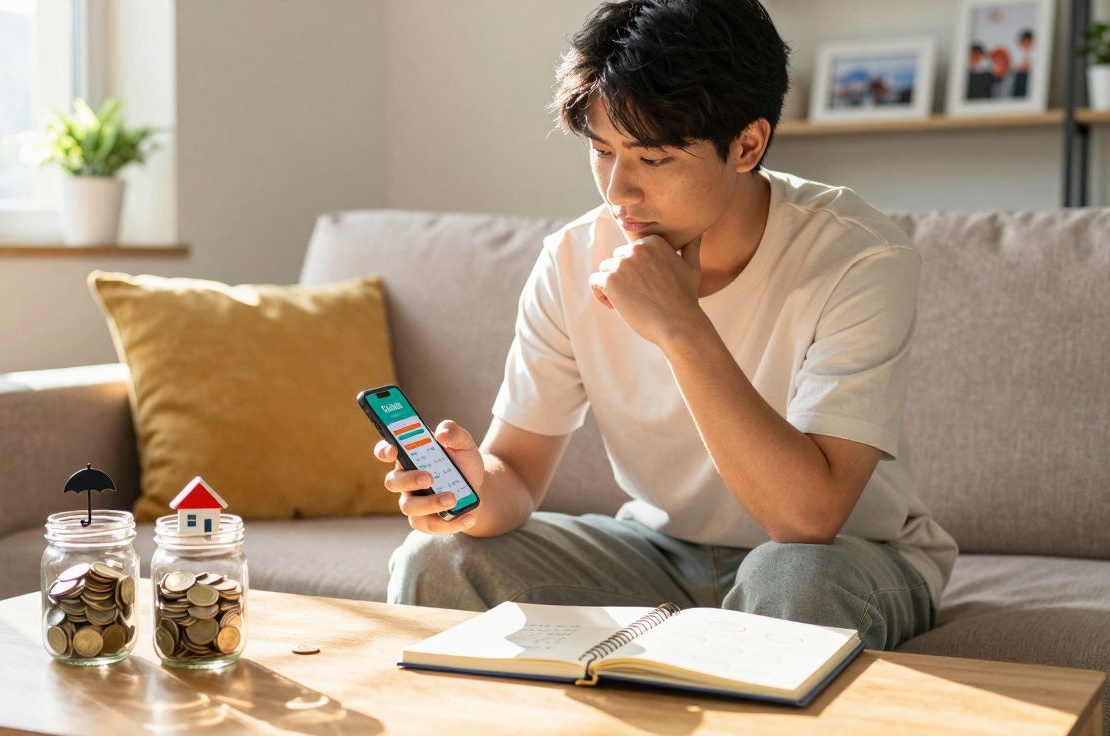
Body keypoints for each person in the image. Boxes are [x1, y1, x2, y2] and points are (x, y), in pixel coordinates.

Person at [379, 0, 957, 652]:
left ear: (747, 144)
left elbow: (808, 517)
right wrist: (473, 491)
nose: (618, 192)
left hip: (846, 555)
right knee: (440, 559)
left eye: (652, 160)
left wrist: (681, 326)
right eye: (602, 152)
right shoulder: (573, 257)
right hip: (661, 553)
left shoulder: (858, 255)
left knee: (793, 578)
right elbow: (514, 472)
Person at [1013, 30, 1034, 98]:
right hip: (1019, 77)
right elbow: (1015, 67)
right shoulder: (1017, 53)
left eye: (1027, 41)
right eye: (1023, 41)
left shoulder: (1035, 52)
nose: (1025, 43)